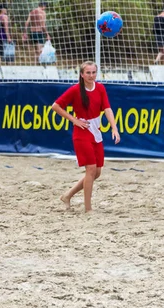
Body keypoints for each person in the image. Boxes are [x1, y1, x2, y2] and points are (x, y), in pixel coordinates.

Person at [51, 61, 121, 213]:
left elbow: (107, 108)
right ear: (82, 75)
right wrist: (74, 120)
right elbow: (55, 106)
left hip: (96, 131)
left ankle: (67, 195)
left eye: (93, 72)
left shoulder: (100, 88)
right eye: (88, 73)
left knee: (97, 172)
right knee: (90, 169)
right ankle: (88, 209)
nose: (91, 75)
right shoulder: (76, 90)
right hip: (82, 132)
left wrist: (114, 128)